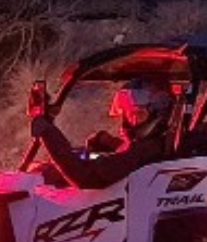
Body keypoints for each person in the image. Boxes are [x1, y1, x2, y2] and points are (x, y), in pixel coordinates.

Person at [30, 77, 173, 189]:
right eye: (128, 114)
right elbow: (128, 156)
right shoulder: (158, 146)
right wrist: (111, 144)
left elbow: (85, 176)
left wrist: (47, 132)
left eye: (138, 114)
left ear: (157, 114)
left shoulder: (147, 151)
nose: (130, 121)